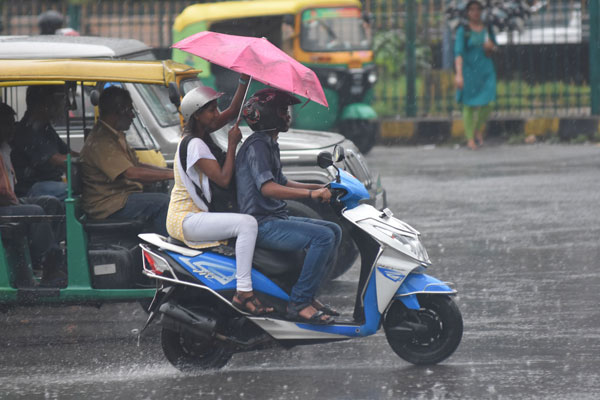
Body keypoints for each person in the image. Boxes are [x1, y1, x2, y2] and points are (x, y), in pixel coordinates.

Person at [166, 76, 274, 315]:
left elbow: (233, 110)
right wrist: (233, 144)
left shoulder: (202, 131)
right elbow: (224, 179)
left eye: (216, 108)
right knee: (247, 224)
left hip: (192, 216)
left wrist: (243, 80)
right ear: (197, 115)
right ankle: (243, 291)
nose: (217, 114)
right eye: (211, 110)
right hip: (187, 219)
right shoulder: (195, 144)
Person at [236, 88, 342, 325]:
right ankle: (300, 303)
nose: (287, 115)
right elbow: (268, 188)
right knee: (322, 237)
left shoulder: (269, 143)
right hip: (262, 223)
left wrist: (318, 186)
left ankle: (309, 295)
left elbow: (281, 182)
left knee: (334, 231)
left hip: (276, 217)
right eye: (282, 110)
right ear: (268, 115)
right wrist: (310, 193)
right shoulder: (258, 146)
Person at [79, 86, 173, 235]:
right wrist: (172, 175)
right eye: (129, 110)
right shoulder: (102, 141)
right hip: (108, 205)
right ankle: (168, 252)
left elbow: (136, 165)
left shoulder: (115, 136)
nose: (132, 116)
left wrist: (172, 172)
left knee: (161, 197)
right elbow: (131, 173)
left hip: (120, 198)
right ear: (118, 111)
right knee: (162, 203)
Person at [0, 103, 65, 287]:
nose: (13, 128)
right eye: (7, 124)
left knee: (50, 203)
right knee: (35, 211)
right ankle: (49, 261)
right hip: (3, 205)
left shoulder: (5, 148)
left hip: (9, 201)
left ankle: (54, 256)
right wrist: (9, 199)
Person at [11, 85, 76, 200]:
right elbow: (58, 159)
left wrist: (90, 156)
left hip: (48, 184)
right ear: (43, 103)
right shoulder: (28, 130)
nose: (67, 106)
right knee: (80, 191)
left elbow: (69, 153)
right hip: (32, 190)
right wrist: (89, 161)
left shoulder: (45, 128)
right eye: (61, 98)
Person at [454, 0, 498, 150]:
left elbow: (493, 49)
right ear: (467, 12)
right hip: (469, 71)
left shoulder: (487, 28)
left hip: (485, 70)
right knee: (468, 105)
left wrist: (490, 46)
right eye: (472, 9)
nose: (475, 12)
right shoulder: (463, 30)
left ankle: (477, 128)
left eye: (478, 9)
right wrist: (459, 74)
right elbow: (458, 53)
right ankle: (470, 139)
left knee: (489, 102)